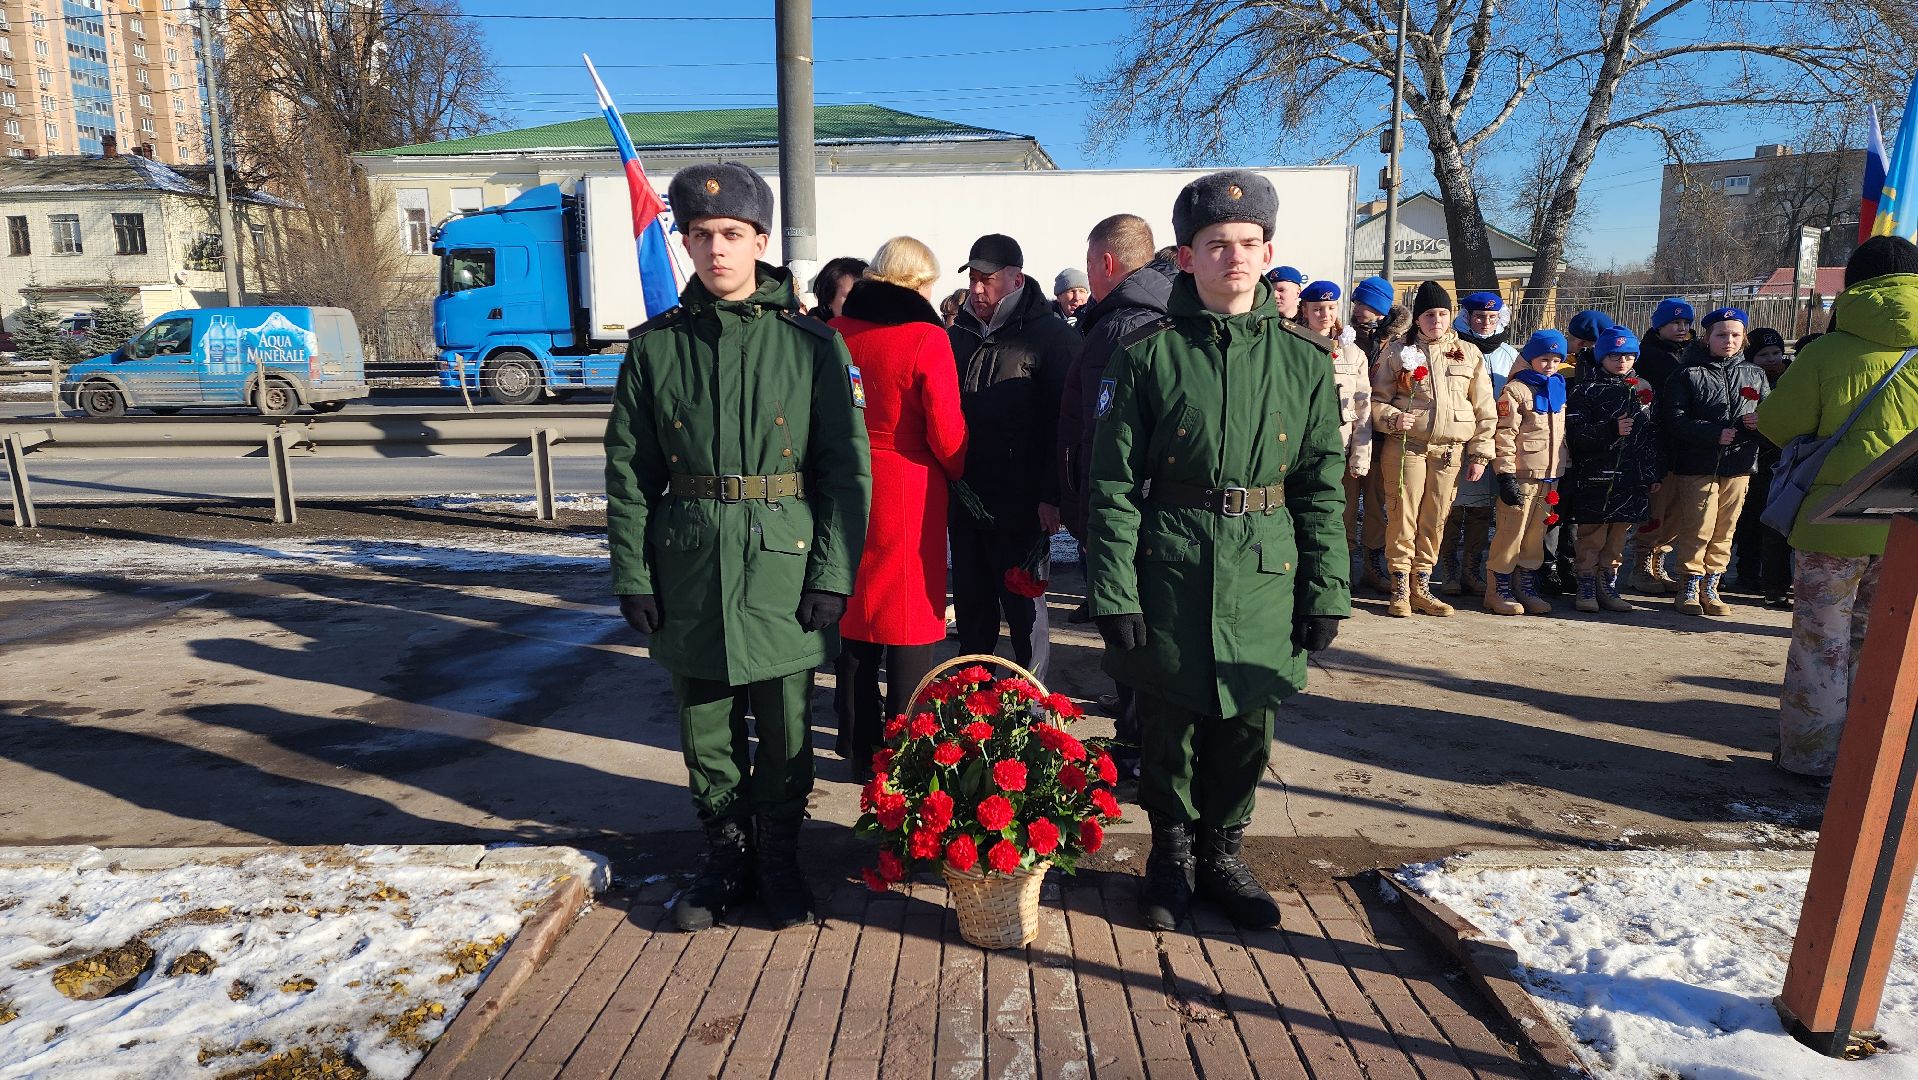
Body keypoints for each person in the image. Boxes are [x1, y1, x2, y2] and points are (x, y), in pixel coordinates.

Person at [606, 162, 871, 932]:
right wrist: (633, 573)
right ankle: (726, 862)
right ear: (684, 241)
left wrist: (833, 572)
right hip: (688, 566)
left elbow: (845, 475)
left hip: (783, 571)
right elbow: (628, 473)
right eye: (701, 234)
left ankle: (780, 865)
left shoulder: (814, 347)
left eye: (732, 234)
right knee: (706, 730)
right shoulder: (656, 349)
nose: (716, 248)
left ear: (761, 241)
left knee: (787, 730)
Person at [1087, 170, 1348, 931]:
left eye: (1247, 244)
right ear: (1186, 256)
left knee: (1246, 721)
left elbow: (1321, 487)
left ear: (1268, 253)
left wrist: (1326, 589)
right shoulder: (1145, 355)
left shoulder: (1304, 361)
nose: (1233, 257)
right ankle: (1169, 858)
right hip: (1170, 563)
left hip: (1265, 566)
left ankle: (1223, 854)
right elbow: (1109, 487)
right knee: (1168, 721)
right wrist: (1114, 592)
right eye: (1215, 244)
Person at [1758, 235, 1918, 776]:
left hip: (1834, 522)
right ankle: (1874, 763)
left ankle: (1811, 757)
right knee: (1886, 646)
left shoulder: (1828, 350)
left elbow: (1780, 425)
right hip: (1911, 525)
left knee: (1820, 643)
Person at [828, 238, 968, 784]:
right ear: (915, 284)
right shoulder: (925, 337)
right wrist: (960, 472)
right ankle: (907, 748)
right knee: (911, 620)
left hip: (846, 482)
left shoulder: (838, 332)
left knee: (856, 614)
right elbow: (947, 430)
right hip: (909, 485)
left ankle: (857, 743)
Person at [1058, 213, 1174, 779]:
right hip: (1156, 504)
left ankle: (1135, 743)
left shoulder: (1120, 326)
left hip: (1128, 510)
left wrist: (1082, 506)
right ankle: (1137, 725)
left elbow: (1100, 433)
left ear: (1107, 264)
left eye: (1088, 263)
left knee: (1132, 624)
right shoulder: (1163, 310)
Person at [948, 232, 1080, 679]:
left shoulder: (1050, 336)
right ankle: (974, 700)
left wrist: (1051, 494)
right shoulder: (957, 334)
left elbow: (1063, 424)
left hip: (1022, 504)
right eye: (974, 279)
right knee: (971, 609)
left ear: (1015, 278)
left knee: (1025, 610)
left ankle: (1032, 705)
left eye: (988, 280)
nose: (978, 291)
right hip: (966, 499)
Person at [1371, 281, 1496, 617]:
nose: (1436, 320)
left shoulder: (1469, 353)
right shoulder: (1398, 351)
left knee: (1436, 517)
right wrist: (1394, 418)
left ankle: (1421, 585)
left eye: (1443, 313)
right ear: (1418, 318)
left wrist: (1481, 454)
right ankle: (1399, 586)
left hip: (1449, 452)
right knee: (1402, 514)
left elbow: (1485, 407)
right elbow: (1377, 401)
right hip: (1406, 447)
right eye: (1429, 314)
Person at [1661, 306, 1768, 616]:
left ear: (1744, 338)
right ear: (1707, 338)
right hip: (1698, 464)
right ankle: (1689, 584)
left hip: (1740, 464)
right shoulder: (1687, 374)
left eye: (1735, 335)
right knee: (1699, 526)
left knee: (1726, 528)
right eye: (1721, 335)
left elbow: (1770, 412)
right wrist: (1711, 433)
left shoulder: (1755, 374)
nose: (1729, 341)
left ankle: (1713, 584)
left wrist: (1758, 422)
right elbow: (1674, 419)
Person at [1564, 326, 1666, 614]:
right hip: (1597, 475)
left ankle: (1607, 584)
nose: (1622, 362)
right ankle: (1585, 585)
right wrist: (1610, 429)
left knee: (1618, 537)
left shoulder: (1642, 388)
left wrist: (1652, 473)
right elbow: (1575, 432)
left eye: (1628, 356)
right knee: (1592, 536)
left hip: (1632, 477)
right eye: (1613, 356)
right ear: (1601, 357)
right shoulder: (1586, 389)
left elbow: (1652, 435)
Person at [1484, 331, 1570, 615]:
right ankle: (1498, 588)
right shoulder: (1516, 390)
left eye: (1556, 360)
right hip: (1522, 475)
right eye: (1544, 359)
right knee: (1511, 532)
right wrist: (1505, 474)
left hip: (1550, 475)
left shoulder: (1558, 387)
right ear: (1531, 358)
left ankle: (1525, 584)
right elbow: (1505, 435)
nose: (1550, 365)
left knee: (1535, 535)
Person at [1438, 291, 1517, 596]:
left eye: (1492, 317)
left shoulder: (1509, 355)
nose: (1485, 323)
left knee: (1482, 510)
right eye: (1479, 317)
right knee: (1452, 506)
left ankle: (1472, 568)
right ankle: (1447, 568)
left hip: (1495, 442)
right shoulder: (1453, 349)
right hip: (1458, 439)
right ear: (1467, 317)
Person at [1297, 280, 1375, 557]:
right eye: (1317, 309)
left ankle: (1339, 579)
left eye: (1330, 308)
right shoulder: (1291, 346)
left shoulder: (1352, 354)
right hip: (1300, 450)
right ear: (1304, 310)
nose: (1325, 315)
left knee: (1340, 517)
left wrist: (1360, 456)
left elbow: (1363, 410)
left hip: (1339, 450)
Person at [1632, 296, 1696, 594]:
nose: (1681, 328)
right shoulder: (1646, 356)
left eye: (1686, 323)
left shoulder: (1696, 354)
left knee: (1678, 511)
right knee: (1656, 505)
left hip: (1688, 441)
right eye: (1675, 322)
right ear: (1659, 326)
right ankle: (1641, 563)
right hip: (1658, 438)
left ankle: (1660, 560)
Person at [1728, 326, 1792, 605]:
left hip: (1782, 456)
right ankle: (1747, 572)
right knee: (1750, 520)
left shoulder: (1792, 379)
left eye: (1776, 352)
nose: (1770, 359)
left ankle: (1774, 580)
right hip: (1754, 456)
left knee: (1775, 522)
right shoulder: (1743, 378)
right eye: (1763, 354)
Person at [1349, 274, 1404, 593]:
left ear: (1380, 308)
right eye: (1357, 303)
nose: (1358, 309)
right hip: (1352, 432)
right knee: (1344, 504)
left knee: (1376, 504)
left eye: (1365, 304)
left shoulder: (1400, 343)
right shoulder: (1345, 337)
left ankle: (1372, 564)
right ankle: (1343, 564)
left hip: (1383, 436)